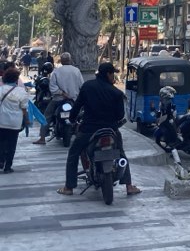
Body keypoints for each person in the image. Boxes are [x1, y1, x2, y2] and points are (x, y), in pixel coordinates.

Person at [57, 62, 141, 196]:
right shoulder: (116, 93)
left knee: (73, 154)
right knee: (121, 154)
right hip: (111, 130)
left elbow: (77, 107)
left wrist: (72, 119)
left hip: (88, 129)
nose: (114, 76)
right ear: (108, 74)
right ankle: (129, 186)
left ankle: (69, 187)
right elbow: (120, 115)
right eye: (113, 73)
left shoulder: (87, 87)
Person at [33, 52, 84, 145]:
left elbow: (52, 87)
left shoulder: (57, 71)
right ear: (70, 60)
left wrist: (62, 93)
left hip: (58, 99)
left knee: (47, 116)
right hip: (74, 100)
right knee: (81, 115)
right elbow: (82, 86)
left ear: (61, 61)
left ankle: (42, 138)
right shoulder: (76, 71)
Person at [0, 69, 30, 174]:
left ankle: (1, 161)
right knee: (12, 145)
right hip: (15, 123)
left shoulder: (1, 90)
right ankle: (8, 167)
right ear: (16, 79)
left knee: (1, 142)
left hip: (1, 121)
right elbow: (24, 109)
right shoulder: (22, 92)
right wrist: (27, 121)